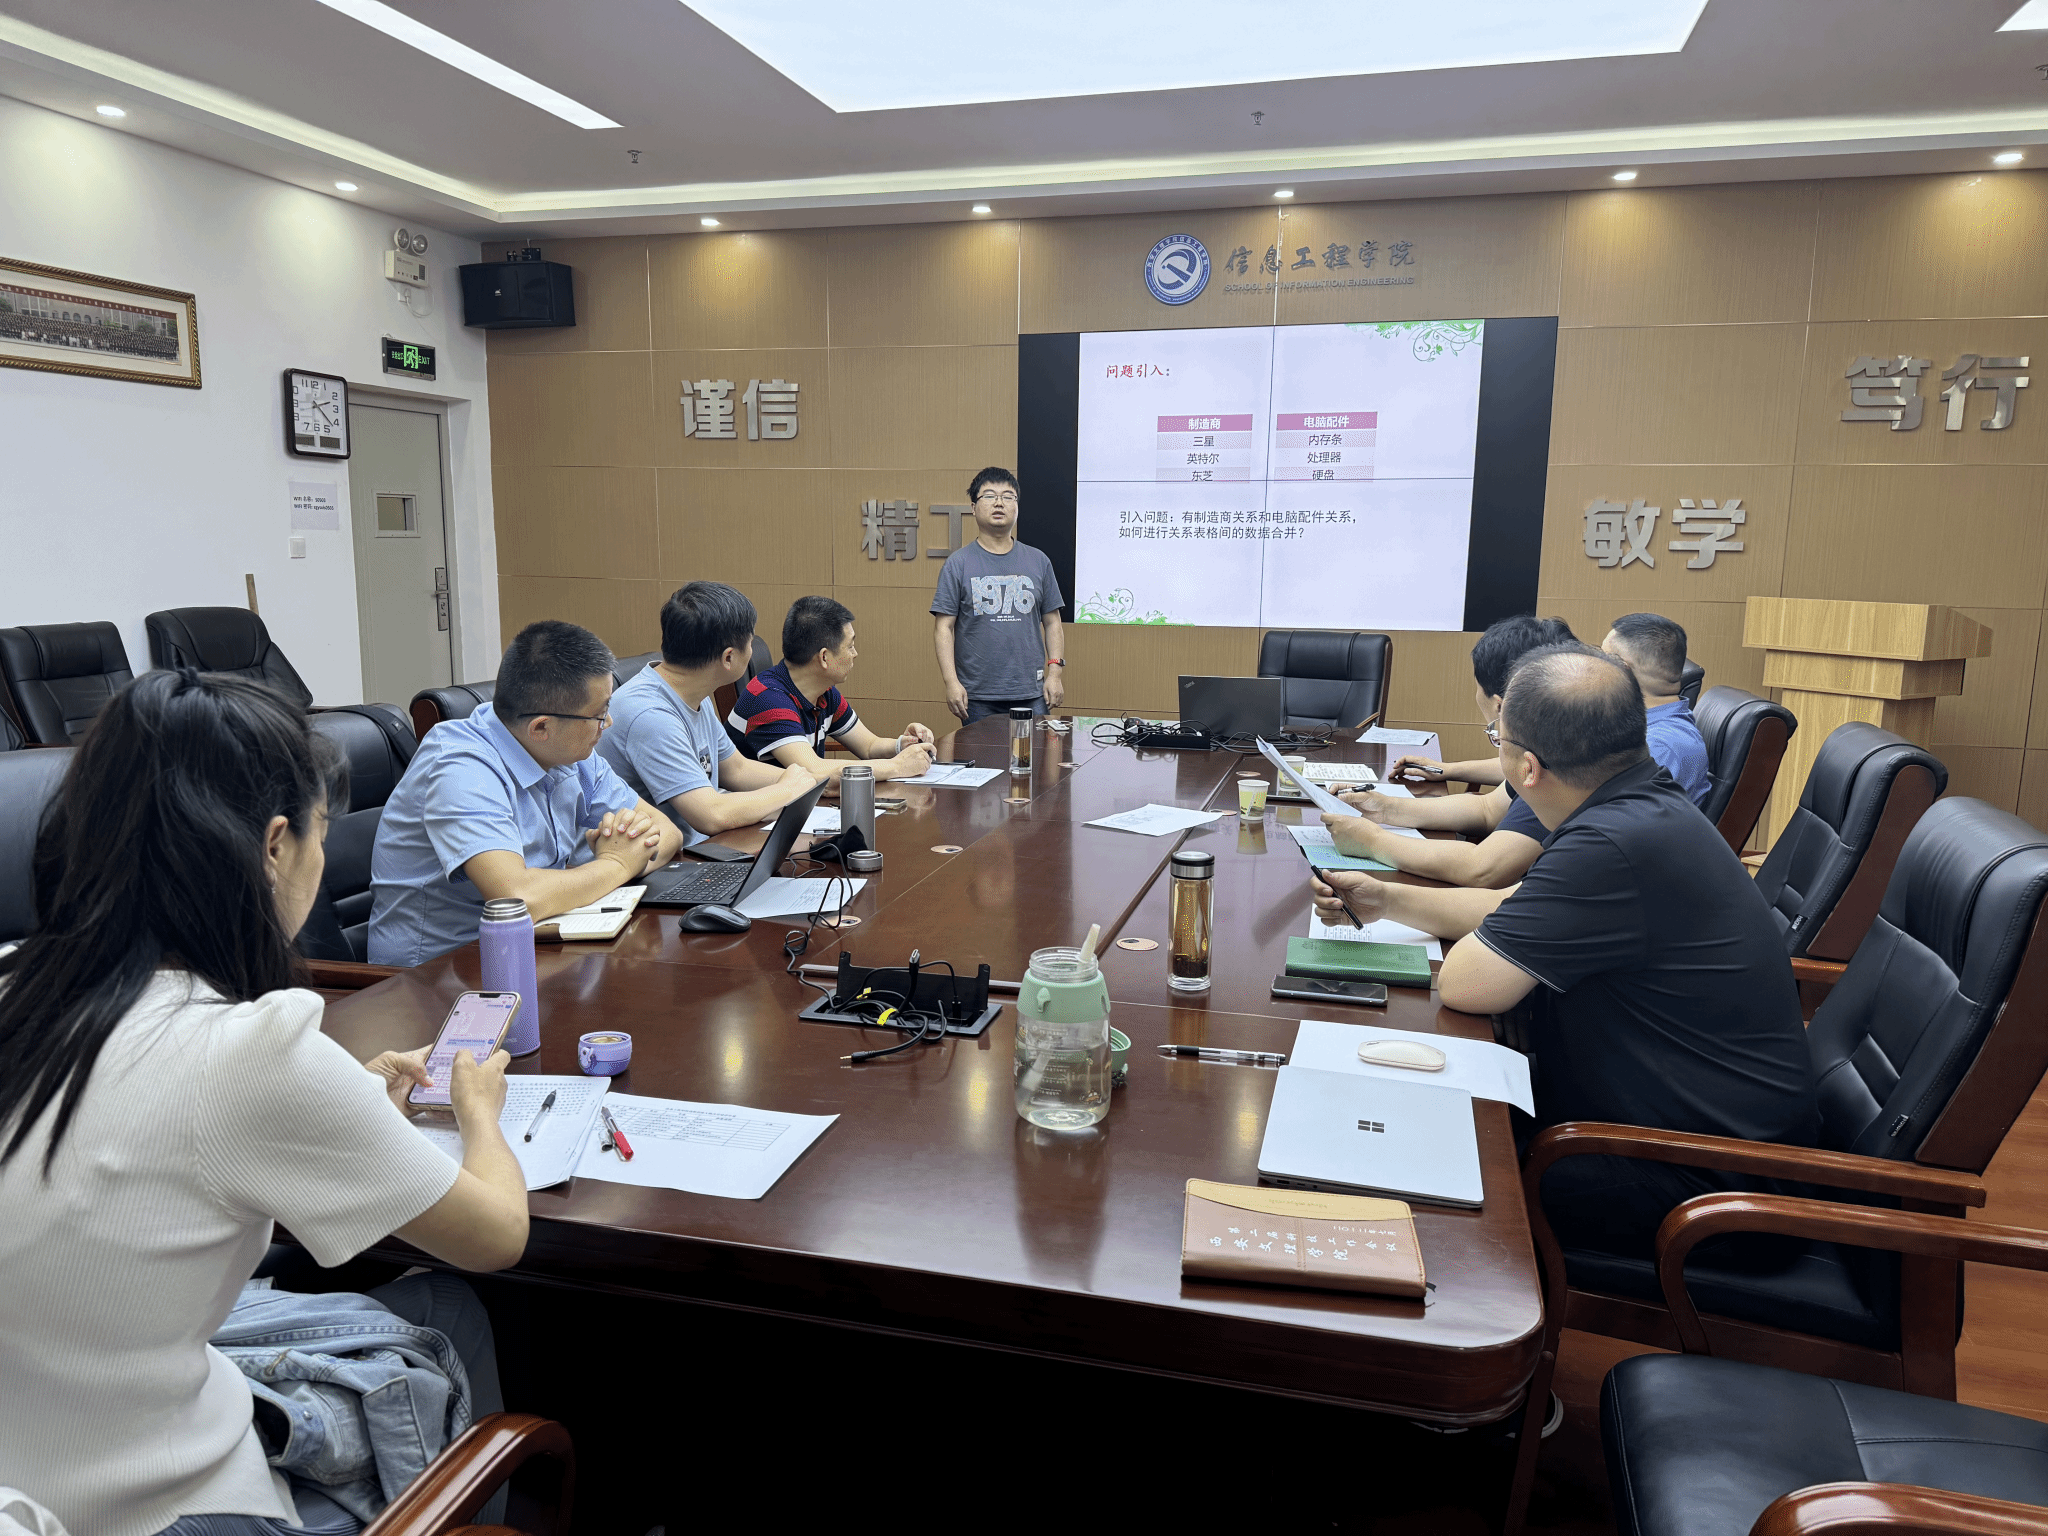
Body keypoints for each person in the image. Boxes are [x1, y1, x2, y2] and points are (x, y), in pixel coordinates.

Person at [0, 670, 528, 1536]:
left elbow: (140, 1154)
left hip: (28, 1472)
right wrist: (480, 1110)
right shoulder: (250, 1052)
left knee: (432, 1312)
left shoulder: (17, 985)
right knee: (453, 1311)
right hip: (154, 1505)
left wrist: (346, 1104)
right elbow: (497, 1235)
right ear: (276, 845)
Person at [1312, 645, 1814, 1263]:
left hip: (1702, 1186)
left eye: (1497, 740)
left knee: (1414, 1161)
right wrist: (1386, 899)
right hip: (1688, 1137)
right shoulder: (1639, 806)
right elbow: (1515, 908)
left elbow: (1467, 984)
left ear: (1527, 768)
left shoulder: (1611, 843)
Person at [370, 621, 682, 966]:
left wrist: (630, 848)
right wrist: (618, 863)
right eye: (599, 714)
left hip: (539, 948)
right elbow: (517, 899)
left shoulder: (570, 750)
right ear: (542, 727)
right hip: (439, 974)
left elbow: (668, 833)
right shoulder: (460, 769)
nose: (607, 724)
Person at [1322, 615, 1576, 890]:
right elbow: (1488, 809)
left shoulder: (1556, 771)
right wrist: (1384, 808)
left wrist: (1372, 841)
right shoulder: (1558, 744)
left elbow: (1483, 870)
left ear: (1502, 706)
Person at [596, 582, 820, 846]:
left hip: (699, 847)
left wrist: (808, 781)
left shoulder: (693, 691)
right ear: (728, 658)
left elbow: (736, 770)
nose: (751, 650)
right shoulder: (650, 716)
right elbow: (711, 815)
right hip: (658, 858)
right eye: (750, 642)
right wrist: (786, 790)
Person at [728, 596, 937, 782]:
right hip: (753, 810)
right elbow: (813, 769)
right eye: (850, 646)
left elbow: (869, 746)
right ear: (824, 657)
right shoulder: (769, 698)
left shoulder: (824, 693)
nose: (855, 654)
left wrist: (903, 746)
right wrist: (897, 766)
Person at [931, 466, 1067, 723]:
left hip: (1032, 692)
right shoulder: (958, 564)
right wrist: (951, 682)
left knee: (1034, 750)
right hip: (977, 696)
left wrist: (1055, 673)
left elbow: (1052, 623)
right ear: (973, 508)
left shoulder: (1038, 561)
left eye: (1007, 496)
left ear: (1017, 506)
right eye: (989, 495)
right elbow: (943, 628)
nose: (999, 503)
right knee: (982, 752)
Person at [1601, 610, 1710, 805]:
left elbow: (1617, 816)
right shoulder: (1647, 727)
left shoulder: (1659, 746)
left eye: (1604, 660)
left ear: (1623, 670)